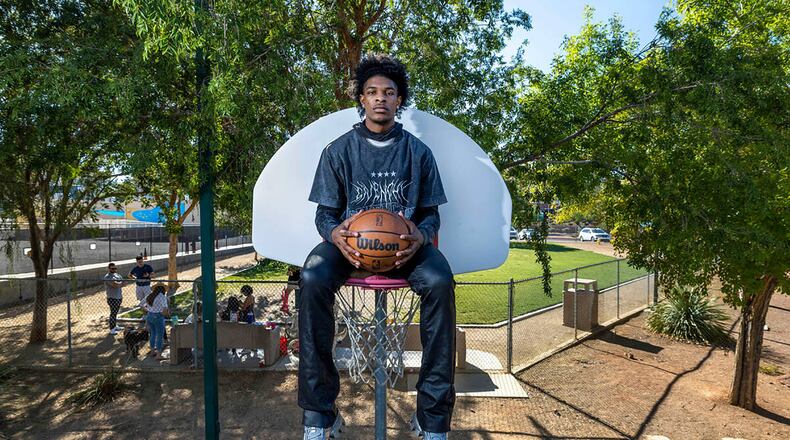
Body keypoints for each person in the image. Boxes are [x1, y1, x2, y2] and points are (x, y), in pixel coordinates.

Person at [300, 55, 455, 440]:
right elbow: (324, 214)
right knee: (312, 277)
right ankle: (320, 415)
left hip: (405, 249)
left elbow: (432, 215)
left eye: (388, 92)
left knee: (440, 283)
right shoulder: (338, 151)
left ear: (399, 99)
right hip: (349, 248)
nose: (380, 98)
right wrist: (335, 233)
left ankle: (432, 418)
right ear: (362, 99)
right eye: (372, 92)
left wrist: (420, 235)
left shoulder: (418, 153)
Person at [144, 283, 169, 360]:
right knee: (160, 336)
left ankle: (152, 351)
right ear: (163, 290)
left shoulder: (150, 295)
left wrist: (149, 310)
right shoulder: (162, 297)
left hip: (149, 315)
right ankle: (158, 355)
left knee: (153, 333)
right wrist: (165, 315)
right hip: (158, 317)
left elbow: (142, 305)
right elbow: (165, 309)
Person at [103, 263, 124, 335]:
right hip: (112, 298)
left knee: (116, 313)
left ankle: (115, 326)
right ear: (108, 269)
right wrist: (119, 283)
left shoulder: (117, 275)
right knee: (113, 313)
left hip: (119, 297)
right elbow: (115, 285)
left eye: (115, 268)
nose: (114, 270)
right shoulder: (107, 276)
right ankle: (112, 329)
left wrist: (118, 283)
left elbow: (123, 283)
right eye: (112, 269)